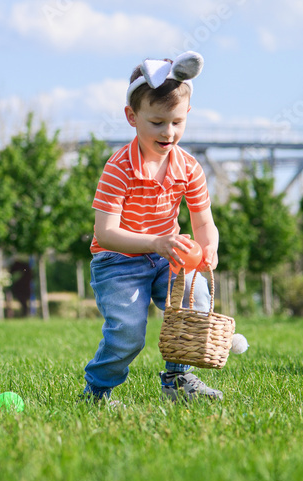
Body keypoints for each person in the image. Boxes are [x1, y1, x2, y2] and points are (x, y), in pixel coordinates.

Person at [83, 51, 223, 404]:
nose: (168, 132)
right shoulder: (119, 168)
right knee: (128, 333)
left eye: (176, 122)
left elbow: (203, 219)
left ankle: (178, 379)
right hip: (118, 262)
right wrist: (156, 242)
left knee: (196, 298)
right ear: (132, 116)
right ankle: (97, 391)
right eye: (157, 122)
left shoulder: (188, 167)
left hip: (167, 257)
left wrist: (209, 250)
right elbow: (105, 232)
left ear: (187, 114)